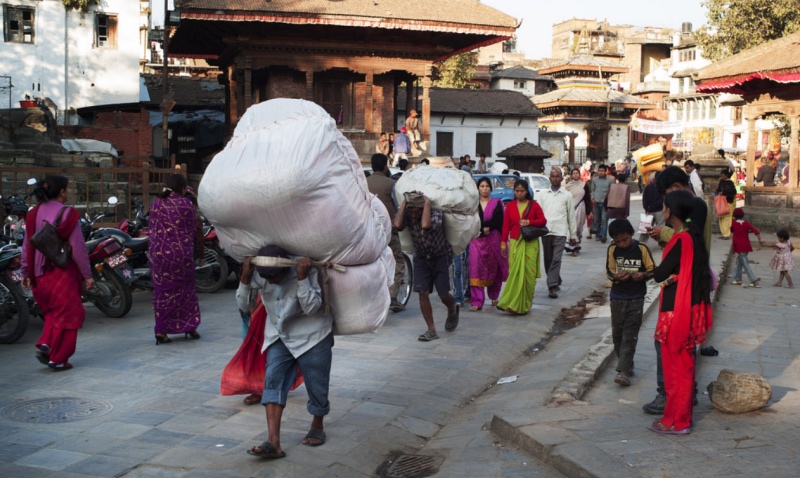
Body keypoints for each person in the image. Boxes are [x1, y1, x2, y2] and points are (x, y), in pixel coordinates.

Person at [244, 246, 334, 458]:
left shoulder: (306, 268)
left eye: (274, 277)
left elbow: (312, 308)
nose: (271, 281)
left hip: (312, 333)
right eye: (267, 277)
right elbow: (244, 304)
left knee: (316, 382)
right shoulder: (259, 273)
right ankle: (273, 441)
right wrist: (245, 278)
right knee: (273, 379)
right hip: (279, 333)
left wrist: (302, 279)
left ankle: (317, 425)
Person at [643, 166, 711, 415]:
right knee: (679, 343)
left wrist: (666, 233)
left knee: (673, 343)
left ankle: (671, 394)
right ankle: (682, 393)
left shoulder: (696, 207)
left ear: (680, 186)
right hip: (684, 281)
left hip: (684, 288)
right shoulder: (686, 211)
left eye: (670, 191)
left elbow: (690, 239)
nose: (667, 200)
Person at [22, 175, 94, 371]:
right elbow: (78, 248)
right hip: (62, 273)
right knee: (70, 314)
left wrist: (25, 272)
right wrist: (87, 275)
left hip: (39, 274)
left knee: (53, 311)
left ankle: (47, 342)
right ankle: (58, 359)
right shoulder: (68, 214)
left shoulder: (33, 214)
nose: (68, 193)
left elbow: (26, 246)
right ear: (62, 192)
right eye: (67, 189)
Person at [394, 192, 458, 341]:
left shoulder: (436, 214)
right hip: (421, 258)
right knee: (423, 293)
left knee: (443, 295)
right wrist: (404, 203)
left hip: (440, 257)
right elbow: (397, 225)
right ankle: (431, 330)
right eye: (411, 211)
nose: (413, 214)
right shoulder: (409, 215)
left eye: (416, 211)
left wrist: (427, 204)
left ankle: (452, 307)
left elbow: (426, 225)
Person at [149, 173, 202, 344]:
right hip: (181, 255)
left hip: (159, 256)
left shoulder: (156, 203)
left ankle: (161, 331)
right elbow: (194, 228)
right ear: (182, 188)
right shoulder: (186, 204)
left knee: (162, 293)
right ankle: (189, 326)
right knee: (186, 292)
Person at [606, 219, 655, 387]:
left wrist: (642, 275)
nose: (622, 244)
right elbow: (610, 271)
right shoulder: (612, 249)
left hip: (636, 297)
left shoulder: (641, 248)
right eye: (618, 241)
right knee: (617, 334)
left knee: (630, 334)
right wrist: (617, 277)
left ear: (632, 234)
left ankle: (624, 371)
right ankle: (626, 364)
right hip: (617, 297)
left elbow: (652, 270)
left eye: (625, 240)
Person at [497, 180, 547, 314]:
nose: (519, 193)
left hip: (530, 242)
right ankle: (510, 303)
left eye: (522, 191)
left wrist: (529, 222)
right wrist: (503, 243)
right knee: (515, 273)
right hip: (515, 242)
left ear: (527, 192)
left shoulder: (534, 205)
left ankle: (525, 305)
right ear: (514, 191)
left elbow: (543, 221)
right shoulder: (510, 206)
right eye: (517, 191)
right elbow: (506, 226)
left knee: (529, 276)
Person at [366, 153, 406, 312]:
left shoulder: (363, 182)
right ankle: (394, 296)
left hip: (367, 230)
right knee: (398, 260)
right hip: (388, 230)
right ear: (385, 167)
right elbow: (398, 206)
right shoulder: (391, 184)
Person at [468, 177, 507, 311]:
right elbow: (470, 221)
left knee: (493, 268)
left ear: (491, 188)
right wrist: (481, 228)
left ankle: (494, 296)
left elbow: (500, 220)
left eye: (487, 186)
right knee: (475, 267)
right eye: (482, 186)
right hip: (476, 240)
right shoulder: (473, 204)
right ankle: (477, 301)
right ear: (478, 189)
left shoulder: (497, 203)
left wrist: (488, 227)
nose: (485, 189)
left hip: (493, 240)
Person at [537, 167, 577, 299]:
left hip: (560, 231)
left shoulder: (567, 195)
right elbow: (538, 214)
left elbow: (571, 216)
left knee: (556, 258)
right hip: (546, 231)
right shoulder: (542, 195)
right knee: (548, 259)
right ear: (549, 178)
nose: (555, 178)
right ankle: (557, 278)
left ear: (561, 178)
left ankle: (552, 285)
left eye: (557, 176)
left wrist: (573, 234)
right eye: (553, 176)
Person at [729, 208, 762, 287]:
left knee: (745, 264)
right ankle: (738, 279)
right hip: (746, 245)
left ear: (734, 215)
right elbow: (756, 231)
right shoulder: (746, 223)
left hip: (739, 246)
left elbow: (731, 230)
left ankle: (754, 280)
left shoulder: (734, 223)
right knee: (739, 262)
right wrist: (760, 240)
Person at [564, 168, 588, 256]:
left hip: (581, 208)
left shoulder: (584, 185)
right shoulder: (568, 186)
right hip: (570, 209)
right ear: (571, 175)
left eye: (577, 173)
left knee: (578, 228)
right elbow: (564, 199)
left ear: (579, 174)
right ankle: (573, 248)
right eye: (573, 173)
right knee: (571, 228)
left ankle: (576, 246)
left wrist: (589, 212)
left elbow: (587, 199)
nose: (575, 175)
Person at [639, 171, 664, 244]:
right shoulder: (662, 188)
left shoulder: (648, 187)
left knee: (646, 228)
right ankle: (662, 242)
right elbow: (662, 200)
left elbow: (644, 199)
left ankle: (642, 243)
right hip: (660, 210)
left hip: (649, 211)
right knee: (661, 227)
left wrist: (647, 209)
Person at [591, 164, 613, 243]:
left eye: (602, 171)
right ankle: (597, 235)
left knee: (604, 220)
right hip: (596, 202)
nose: (601, 172)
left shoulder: (609, 181)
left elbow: (611, 192)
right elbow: (593, 190)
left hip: (605, 203)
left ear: (606, 171)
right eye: (599, 171)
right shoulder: (595, 180)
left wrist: (609, 202)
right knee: (597, 220)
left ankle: (603, 235)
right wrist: (592, 198)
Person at [714, 168, 737, 239]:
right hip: (721, 202)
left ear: (727, 175)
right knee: (721, 218)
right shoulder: (721, 181)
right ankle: (723, 233)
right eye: (722, 176)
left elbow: (733, 192)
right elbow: (718, 189)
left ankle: (726, 234)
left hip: (728, 202)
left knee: (727, 219)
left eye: (723, 176)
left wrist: (723, 193)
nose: (722, 177)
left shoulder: (730, 183)